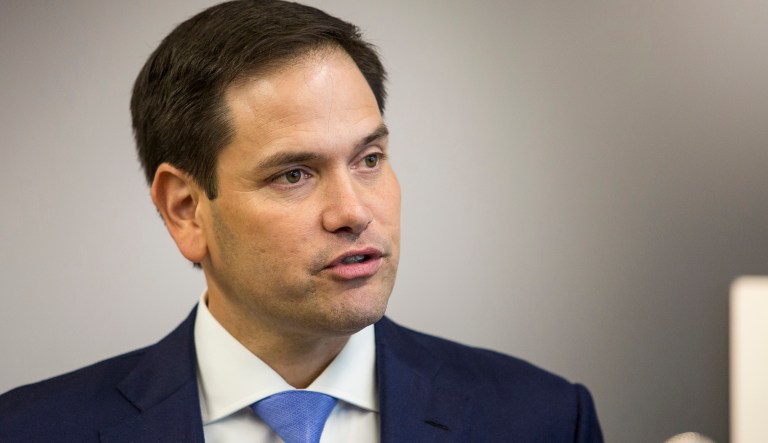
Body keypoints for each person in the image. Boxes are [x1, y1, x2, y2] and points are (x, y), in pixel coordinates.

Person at [0, 1, 603, 441]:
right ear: (185, 210)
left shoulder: (543, 417)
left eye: (369, 160)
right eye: (294, 174)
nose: (355, 212)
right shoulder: (31, 431)